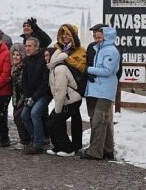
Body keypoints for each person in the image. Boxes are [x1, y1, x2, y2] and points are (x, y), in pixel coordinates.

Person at [46, 24, 86, 157]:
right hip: (65, 90)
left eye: (68, 34)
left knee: (70, 120)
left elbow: (81, 68)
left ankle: (71, 147)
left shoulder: (79, 51)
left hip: (74, 91)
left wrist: (66, 59)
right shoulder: (59, 49)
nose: (65, 36)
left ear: (73, 36)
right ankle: (62, 146)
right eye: (63, 34)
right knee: (59, 120)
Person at [81, 26, 120, 160]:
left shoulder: (111, 51)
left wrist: (89, 70)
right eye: (95, 37)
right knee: (103, 121)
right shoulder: (100, 49)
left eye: (99, 37)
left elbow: (107, 71)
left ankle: (95, 152)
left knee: (98, 120)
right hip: (97, 89)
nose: (96, 40)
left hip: (105, 91)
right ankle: (107, 149)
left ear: (106, 37)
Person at [21, 37, 52, 154]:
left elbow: (44, 83)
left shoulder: (43, 60)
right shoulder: (27, 60)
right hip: (31, 94)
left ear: (36, 47)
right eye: (26, 46)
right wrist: (27, 96)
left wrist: (34, 98)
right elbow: (24, 81)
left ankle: (38, 145)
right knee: (24, 116)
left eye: (30, 46)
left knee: (35, 113)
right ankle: (37, 138)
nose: (27, 48)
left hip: (44, 94)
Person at [10, 43, 31, 149]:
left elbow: (25, 87)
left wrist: (19, 102)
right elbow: (14, 87)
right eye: (13, 55)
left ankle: (26, 140)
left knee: (19, 116)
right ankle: (24, 139)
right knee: (16, 116)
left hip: (26, 96)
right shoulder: (14, 69)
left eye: (17, 55)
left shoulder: (24, 68)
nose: (15, 57)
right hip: (17, 97)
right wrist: (14, 101)